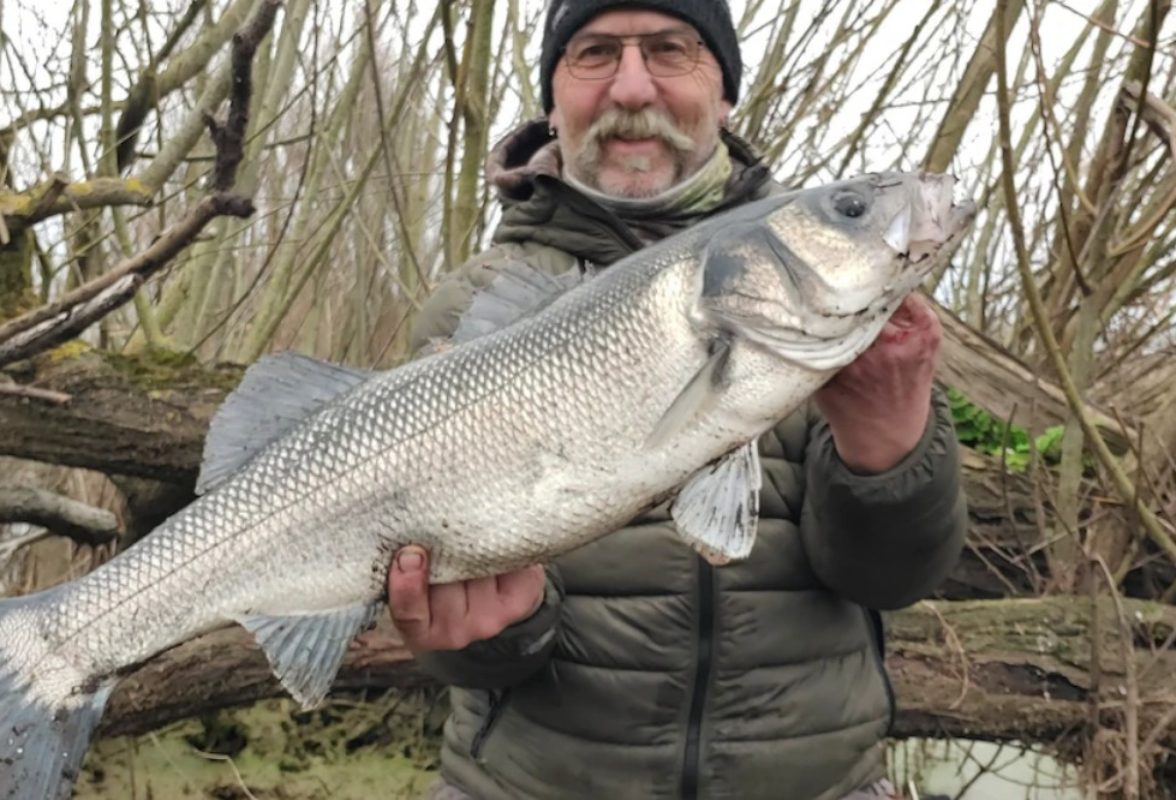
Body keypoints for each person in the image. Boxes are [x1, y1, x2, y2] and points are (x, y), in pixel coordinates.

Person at [386, 0, 967, 797]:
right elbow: (474, 654)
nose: (632, 87)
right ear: (552, 98)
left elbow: (889, 581)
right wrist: (487, 631)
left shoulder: (827, 283)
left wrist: (891, 453)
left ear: (724, 93)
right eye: (594, 53)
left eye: (670, 49)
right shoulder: (476, 307)